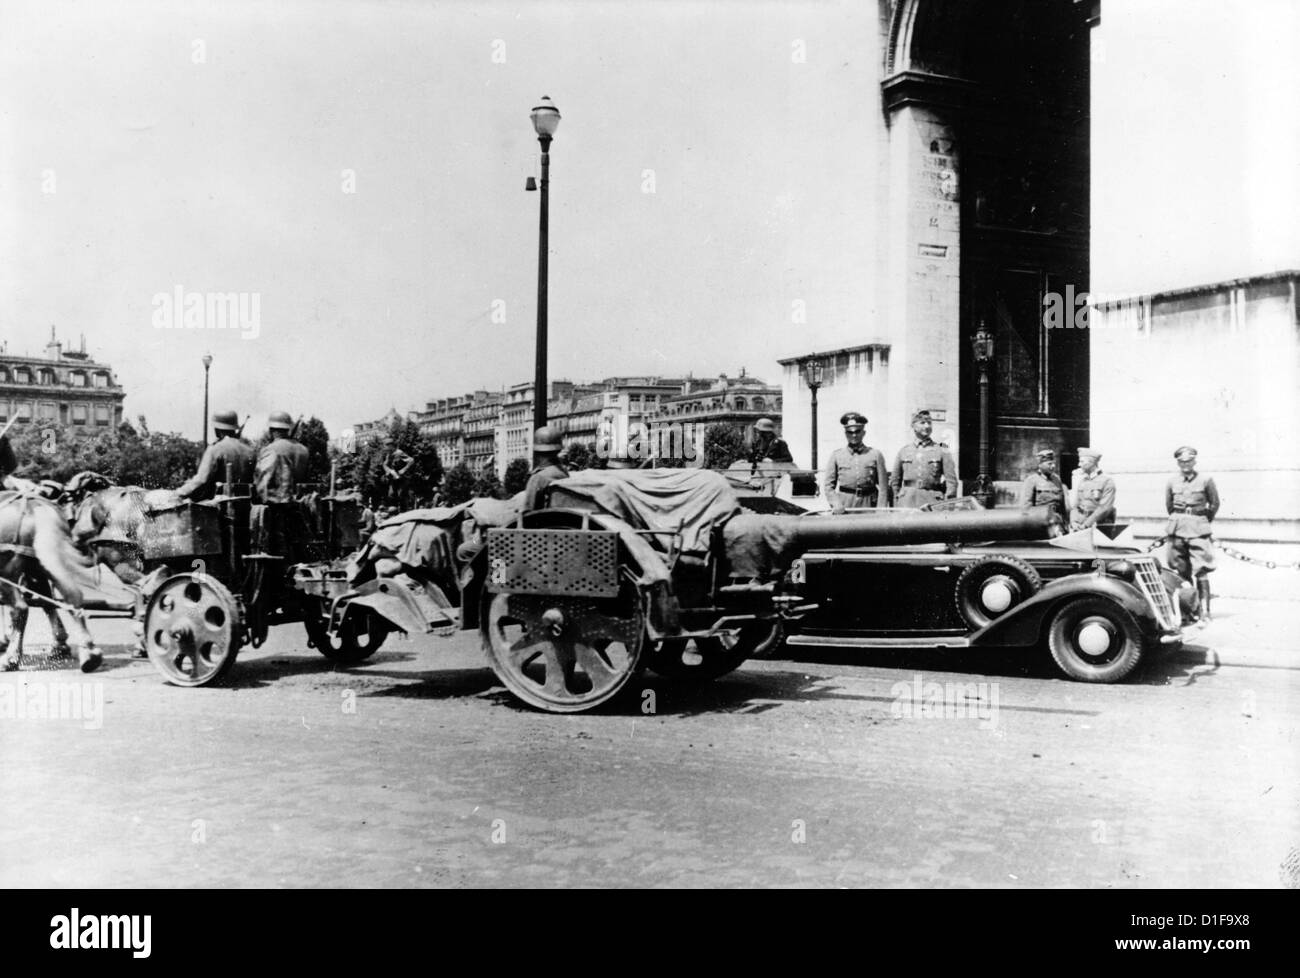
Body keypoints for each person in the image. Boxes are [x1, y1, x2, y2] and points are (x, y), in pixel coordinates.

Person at [1165, 446, 1220, 621]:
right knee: (1181, 571)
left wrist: (1202, 521)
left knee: (1201, 570)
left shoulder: (1206, 480)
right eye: (1182, 461)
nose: (1185, 464)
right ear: (1178, 463)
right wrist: (1179, 520)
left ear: (1194, 461)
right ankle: (1188, 611)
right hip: (1178, 529)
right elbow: (1169, 506)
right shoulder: (1172, 481)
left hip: (1198, 530)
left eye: (1189, 461)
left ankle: (1205, 611)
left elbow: (1214, 504)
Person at [177, 410, 255, 501]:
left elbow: (201, 480)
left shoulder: (215, 449)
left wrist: (178, 493)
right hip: (245, 505)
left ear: (217, 430)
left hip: (217, 508)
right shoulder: (250, 451)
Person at [822, 412, 888, 513]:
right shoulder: (837, 455)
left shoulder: (875, 454)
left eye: (857, 431)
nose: (854, 435)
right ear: (845, 434)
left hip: (869, 504)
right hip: (846, 505)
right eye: (850, 432)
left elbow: (883, 487)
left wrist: (881, 509)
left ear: (863, 433)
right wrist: (836, 504)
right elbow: (828, 486)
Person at [890, 409, 957, 508]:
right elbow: (895, 481)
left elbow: (951, 481)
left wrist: (948, 505)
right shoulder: (904, 451)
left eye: (929, 423)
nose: (927, 426)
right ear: (913, 426)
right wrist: (897, 501)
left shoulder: (942, 449)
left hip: (932, 501)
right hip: (907, 502)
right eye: (922, 423)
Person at [254, 411, 309, 504]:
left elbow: (261, 483)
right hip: (300, 504)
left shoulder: (270, 449)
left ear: (271, 430)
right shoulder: (303, 449)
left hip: (276, 506)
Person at [1069, 446, 1116, 530]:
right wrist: (1074, 521)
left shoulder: (1107, 481)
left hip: (1098, 525)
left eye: (1082, 462)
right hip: (1080, 524)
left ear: (1092, 462)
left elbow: (1104, 508)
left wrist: (1086, 524)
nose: (1079, 464)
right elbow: (1075, 506)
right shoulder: (1083, 481)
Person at [523, 426, 569, 511]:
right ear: (558, 450)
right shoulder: (564, 473)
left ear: (537, 452)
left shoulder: (537, 478)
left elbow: (527, 510)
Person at [1019, 448, 1068, 525]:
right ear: (1040, 465)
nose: (1053, 466)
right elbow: (1026, 507)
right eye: (1049, 464)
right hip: (1041, 522)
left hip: (1057, 522)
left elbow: (1062, 505)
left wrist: (1065, 523)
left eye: (1053, 463)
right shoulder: (1031, 480)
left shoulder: (1057, 479)